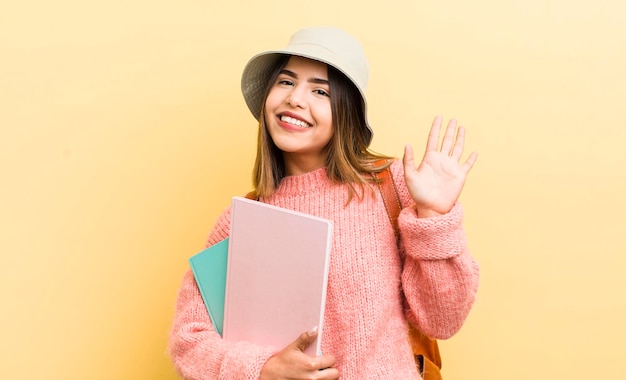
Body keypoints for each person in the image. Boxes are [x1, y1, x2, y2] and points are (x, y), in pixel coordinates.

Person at [169, 26, 480, 379]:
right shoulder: (241, 220)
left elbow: (443, 320)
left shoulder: (390, 187)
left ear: (346, 112)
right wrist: (262, 369)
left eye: (320, 90)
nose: (295, 99)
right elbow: (187, 341)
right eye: (285, 82)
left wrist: (433, 216)